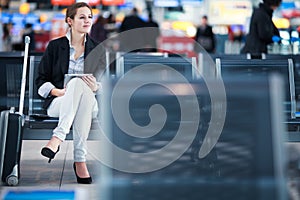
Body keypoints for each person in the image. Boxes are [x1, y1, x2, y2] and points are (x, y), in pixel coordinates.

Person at [36, 2, 106, 184]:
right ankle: (80, 160)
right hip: (59, 102)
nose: (87, 21)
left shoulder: (98, 50)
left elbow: (105, 83)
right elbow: (41, 81)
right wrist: (56, 91)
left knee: (80, 85)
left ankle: (57, 138)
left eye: (89, 17)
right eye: (82, 17)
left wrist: (96, 87)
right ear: (70, 21)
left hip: (90, 103)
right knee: (75, 84)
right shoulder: (54, 47)